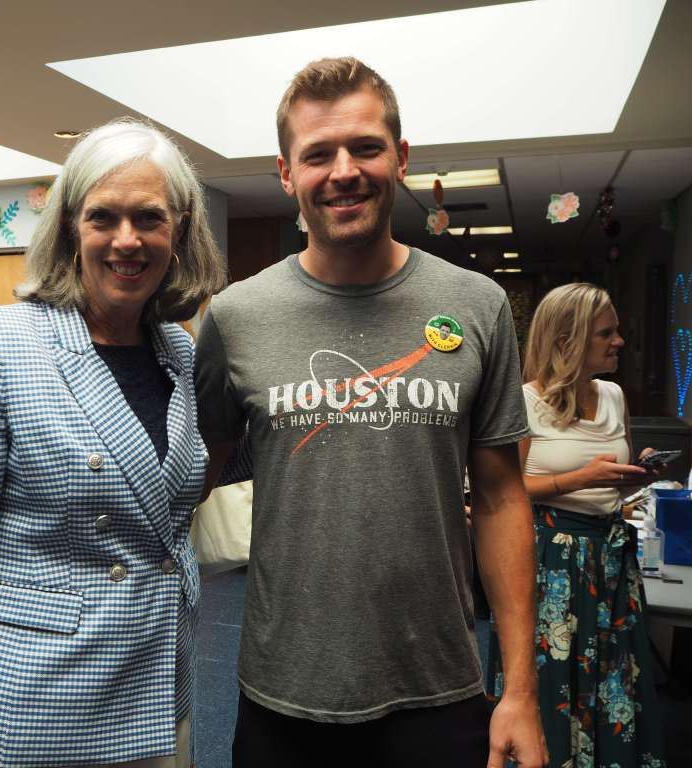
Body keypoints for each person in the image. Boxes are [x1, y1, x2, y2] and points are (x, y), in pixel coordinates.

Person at [194, 57, 547, 768]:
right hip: (283, 690)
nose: (344, 171)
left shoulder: (477, 305)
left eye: (366, 147)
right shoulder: (234, 317)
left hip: (439, 688)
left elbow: (502, 499)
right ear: (287, 174)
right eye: (317, 154)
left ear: (401, 157)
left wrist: (520, 691)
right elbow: (191, 477)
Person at [0, 119, 226, 768]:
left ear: (181, 230)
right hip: (47, 702)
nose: (126, 240)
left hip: (163, 685)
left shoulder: (178, 348)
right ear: (69, 228)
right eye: (103, 216)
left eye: (149, 217)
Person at [486, 283, 668, 768]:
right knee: (551, 680)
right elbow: (502, 491)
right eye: (606, 333)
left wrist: (636, 475)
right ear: (568, 341)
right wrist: (580, 478)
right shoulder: (524, 401)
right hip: (551, 560)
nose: (619, 342)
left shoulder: (613, 395)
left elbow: (609, 487)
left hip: (610, 558)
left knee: (615, 678)